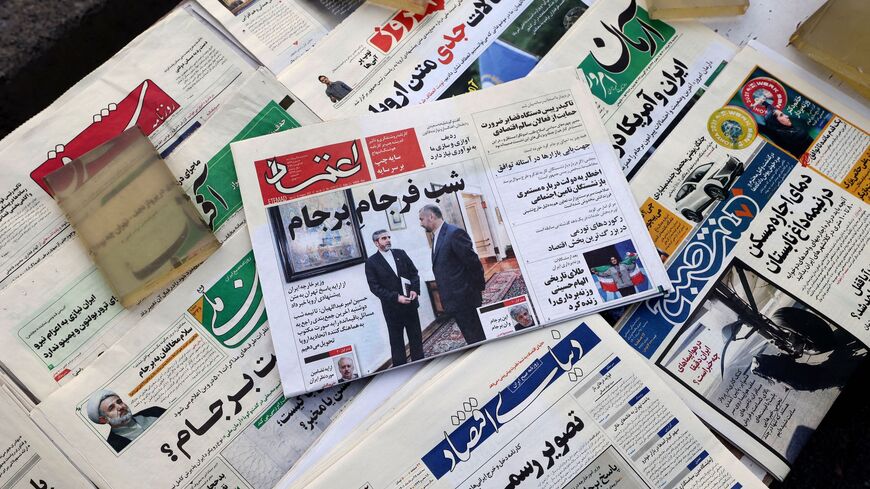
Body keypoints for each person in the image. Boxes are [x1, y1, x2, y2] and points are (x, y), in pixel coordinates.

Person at [419, 204, 487, 345]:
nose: (421, 223)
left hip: (465, 297)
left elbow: (473, 263)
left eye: (421, 219)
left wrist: (477, 289)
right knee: (470, 335)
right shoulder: (436, 236)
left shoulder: (454, 233)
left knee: (476, 335)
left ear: (431, 216)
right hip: (454, 299)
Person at [364, 229, 425, 366]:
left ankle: (420, 364)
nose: (388, 240)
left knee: (416, 337)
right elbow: (375, 288)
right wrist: (396, 297)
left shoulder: (400, 254)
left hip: (410, 305)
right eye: (384, 238)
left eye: (388, 237)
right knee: (396, 342)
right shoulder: (371, 262)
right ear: (376, 243)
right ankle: (401, 369)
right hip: (392, 310)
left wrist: (415, 290)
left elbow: (414, 273)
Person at [86, 390, 165, 453]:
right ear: (104, 419)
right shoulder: (114, 447)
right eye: (111, 408)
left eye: (119, 402)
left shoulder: (155, 411)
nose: (120, 407)